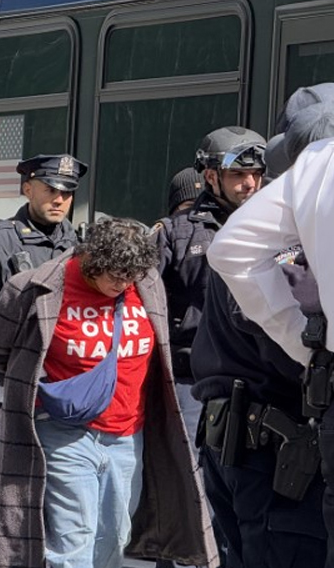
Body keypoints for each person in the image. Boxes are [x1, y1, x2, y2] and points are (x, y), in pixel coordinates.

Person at [0, 217, 217, 568]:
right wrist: (43, 381)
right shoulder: (36, 287)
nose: (122, 284)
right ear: (91, 261)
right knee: (73, 543)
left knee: (115, 539)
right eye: (114, 275)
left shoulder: (147, 283)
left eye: (129, 276)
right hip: (63, 432)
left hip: (128, 434)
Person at [207, 109, 334, 568]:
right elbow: (283, 345)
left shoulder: (273, 244)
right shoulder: (287, 255)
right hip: (273, 453)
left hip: (255, 446)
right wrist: (316, 354)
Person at [192, 251, 326, 568]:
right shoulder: (285, 259)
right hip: (272, 453)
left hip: (241, 441)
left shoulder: (246, 244)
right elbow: (292, 346)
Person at [0, 154, 85, 467]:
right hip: (8, 386)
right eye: (50, 190)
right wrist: (21, 348)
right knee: (12, 495)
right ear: (27, 189)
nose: (59, 199)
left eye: (67, 192)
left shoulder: (81, 246)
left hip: (66, 388)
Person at [154, 126, 266, 439]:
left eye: (256, 174)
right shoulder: (174, 234)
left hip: (263, 379)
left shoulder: (278, 228)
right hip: (192, 384)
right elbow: (141, 305)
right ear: (211, 177)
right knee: (192, 479)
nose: (250, 183)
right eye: (238, 175)